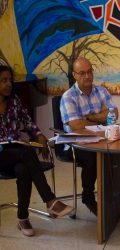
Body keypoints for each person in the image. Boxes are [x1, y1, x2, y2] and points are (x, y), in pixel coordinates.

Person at [0, 65, 74, 237]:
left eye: (9, 80)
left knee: (23, 169)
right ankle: (50, 201)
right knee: (26, 152)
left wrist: (40, 135)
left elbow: (27, 121)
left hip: (14, 151)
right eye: (3, 81)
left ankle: (22, 217)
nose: (8, 84)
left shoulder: (14, 101)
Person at [60, 57, 117, 215]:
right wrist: (101, 116)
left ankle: (113, 196)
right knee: (93, 156)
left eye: (90, 71)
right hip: (76, 142)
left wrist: (89, 118)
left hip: (100, 138)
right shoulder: (68, 96)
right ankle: (88, 196)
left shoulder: (101, 91)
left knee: (117, 152)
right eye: (82, 73)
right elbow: (76, 126)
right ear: (75, 75)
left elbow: (113, 113)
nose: (87, 76)